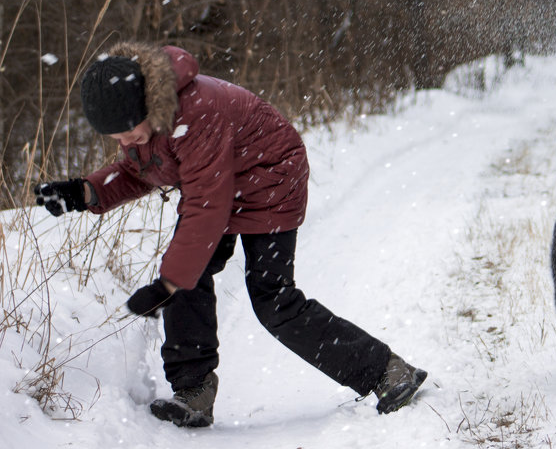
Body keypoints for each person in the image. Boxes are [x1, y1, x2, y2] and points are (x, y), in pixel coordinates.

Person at [35, 41, 427, 427]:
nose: (124, 143)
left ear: (144, 107)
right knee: (189, 276)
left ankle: (387, 372)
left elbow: (206, 205)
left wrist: (169, 283)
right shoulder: (151, 115)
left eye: (127, 133)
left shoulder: (196, 110)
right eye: (116, 138)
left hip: (272, 178)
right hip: (224, 182)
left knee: (272, 298)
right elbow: (145, 168)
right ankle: (193, 392)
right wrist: (86, 191)